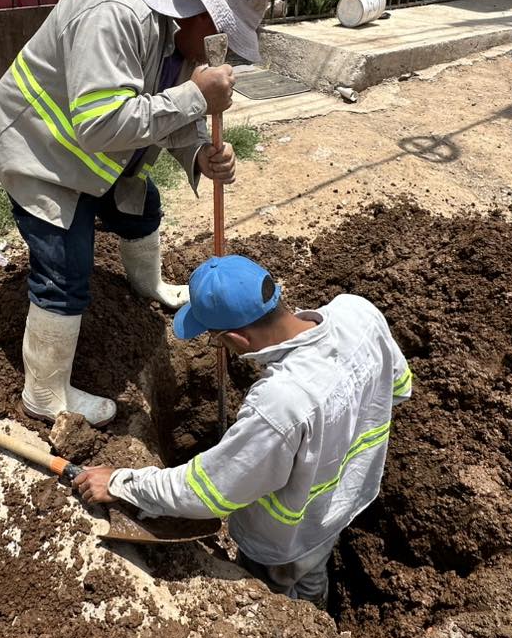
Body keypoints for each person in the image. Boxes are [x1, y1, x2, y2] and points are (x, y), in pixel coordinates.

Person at [0, 0, 276, 428]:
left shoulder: (174, 32)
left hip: (98, 161)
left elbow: (166, 111)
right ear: (198, 10)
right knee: (64, 269)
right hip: (40, 154)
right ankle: (44, 395)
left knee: (142, 207)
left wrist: (198, 151)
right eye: (222, 35)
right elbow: (99, 124)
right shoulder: (114, 14)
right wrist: (196, 97)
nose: (220, 53)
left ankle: (148, 283)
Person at [73, 254, 413, 608]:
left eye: (218, 340)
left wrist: (119, 482)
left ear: (237, 337)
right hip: (344, 502)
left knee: (280, 592)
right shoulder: (358, 312)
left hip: (282, 541)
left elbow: (204, 493)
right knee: (313, 571)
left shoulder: (281, 403)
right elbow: (400, 389)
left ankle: (302, 626)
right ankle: (317, 606)